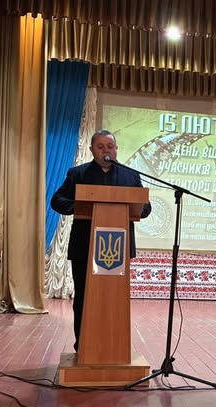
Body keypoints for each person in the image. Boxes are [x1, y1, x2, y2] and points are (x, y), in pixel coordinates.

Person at [51, 129, 152, 351]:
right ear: (91, 150)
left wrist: (132, 209)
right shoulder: (77, 174)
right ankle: (84, 347)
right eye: (100, 146)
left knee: (114, 300)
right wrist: (78, 206)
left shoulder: (130, 176)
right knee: (85, 299)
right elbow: (57, 200)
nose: (106, 150)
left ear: (116, 149)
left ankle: (114, 348)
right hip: (84, 248)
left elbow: (146, 208)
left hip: (118, 250)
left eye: (110, 146)